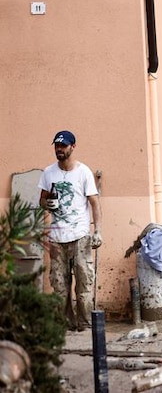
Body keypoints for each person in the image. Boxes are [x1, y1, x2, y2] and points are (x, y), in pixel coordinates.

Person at [38, 130, 102, 331]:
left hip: (80, 237)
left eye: (63, 146)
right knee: (59, 286)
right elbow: (41, 200)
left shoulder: (83, 172)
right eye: (57, 146)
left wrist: (97, 230)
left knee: (83, 285)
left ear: (73, 147)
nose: (59, 149)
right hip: (57, 238)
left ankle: (86, 325)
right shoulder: (48, 173)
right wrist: (47, 202)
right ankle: (66, 325)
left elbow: (94, 203)